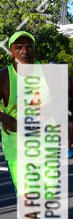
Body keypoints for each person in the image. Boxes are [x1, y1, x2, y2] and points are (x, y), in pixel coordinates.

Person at [0, 32, 37, 192]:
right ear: (11, 53)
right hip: (14, 142)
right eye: (19, 47)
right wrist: (3, 117)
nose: (25, 51)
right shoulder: (4, 77)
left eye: (29, 47)